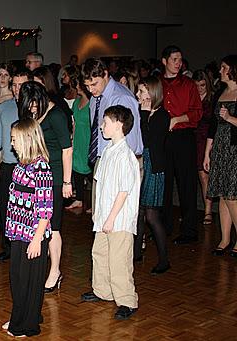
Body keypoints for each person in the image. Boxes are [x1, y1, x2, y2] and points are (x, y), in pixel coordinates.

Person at [81, 105, 140, 320]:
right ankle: (103, 290)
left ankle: (127, 300)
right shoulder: (107, 151)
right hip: (104, 218)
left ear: (119, 125)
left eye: (105, 122)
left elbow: (124, 191)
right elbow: (100, 185)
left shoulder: (125, 156)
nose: (102, 126)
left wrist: (112, 217)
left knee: (119, 260)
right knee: (100, 254)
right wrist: (98, 212)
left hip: (119, 220)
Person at [18, 81, 73, 293]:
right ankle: (43, 266)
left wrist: (67, 182)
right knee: (40, 224)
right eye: (28, 105)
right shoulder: (32, 114)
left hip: (56, 176)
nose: (31, 108)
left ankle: (55, 271)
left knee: (52, 225)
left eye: (34, 104)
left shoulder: (56, 115)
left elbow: (66, 149)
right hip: (36, 175)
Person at [3, 118, 53, 337]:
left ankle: (26, 323)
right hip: (18, 231)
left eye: (15, 139)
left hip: (33, 234)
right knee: (17, 278)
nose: (12, 143)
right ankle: (20, 315)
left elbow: (46, 208)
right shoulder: (22, 163)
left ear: (27, 139)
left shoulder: (41, 167)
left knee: (29, 281)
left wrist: (37, 239)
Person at [81, 58, 143, 216]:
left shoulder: (122, 98)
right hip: (103, 159)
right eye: (87, 86)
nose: (91, 90)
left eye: (94, 84)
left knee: (119, 217)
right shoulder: (96, 98)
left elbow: (133, 141)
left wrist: (122, 167)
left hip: (122, 161)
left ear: (106, 74)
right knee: (99, 214)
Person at [0, 70, 32, 261]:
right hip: (7, 164)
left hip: (28, 167)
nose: (17, 89)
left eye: (21, 85)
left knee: (26, 210)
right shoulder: (5, 107)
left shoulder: (35, 107)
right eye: (14, 85)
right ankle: (8, 247)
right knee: (5, 208)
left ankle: (26, 247)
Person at [160, 45, 202, 244]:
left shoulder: (188, 84)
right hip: (163, 139)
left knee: (186, 185)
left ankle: (189, 230)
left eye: (180, 60)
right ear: (164, 61)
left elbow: (197, 112)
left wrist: (177, 119)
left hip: (183, 137)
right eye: (174, 59)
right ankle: (164, 227)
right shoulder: (158, 83)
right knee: (164, 184)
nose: (178, 63)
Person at [134, 77, 171, 274]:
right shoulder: (145, 114)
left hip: (154, 168)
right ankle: (136, 253)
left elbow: (150, 142)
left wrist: (144, 115)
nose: (138, 95)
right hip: (142, 165)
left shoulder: (162, 115)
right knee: (139, 213)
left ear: (152, 93)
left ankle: (164, 259)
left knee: (151, 215)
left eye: (141, 91)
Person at [204, 55, 237, 257]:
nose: (220, 71)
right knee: (223, 196)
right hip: (220, 148)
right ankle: (225, 239)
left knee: (232, 196)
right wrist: (208, 152)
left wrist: (230, 118)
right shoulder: (220, 93)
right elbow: (212, 126)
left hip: (234, 150)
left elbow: (226, 121)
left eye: (223, 67)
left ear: (232, 69)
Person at [67, 75, 92, 210]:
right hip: (78, 138)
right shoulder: (77, 102)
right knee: (76, 166)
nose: (76, 87)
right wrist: (72, 138)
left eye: (78, 85)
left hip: (88, 139)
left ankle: (95, 203)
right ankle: (79, 199)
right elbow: (74, 122)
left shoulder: (93, 102)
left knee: (90, 171)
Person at [193, 70, 215, 225]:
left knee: (204, 176)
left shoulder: (212, 100)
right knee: (191, 177)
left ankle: (208, 211)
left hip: (206, 140)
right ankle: (191, 211)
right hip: (191, 139)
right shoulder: (192, 99)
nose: (200, 88)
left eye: (202, 85)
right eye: (197, 85)